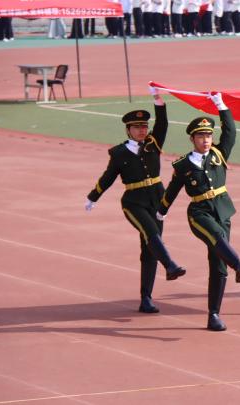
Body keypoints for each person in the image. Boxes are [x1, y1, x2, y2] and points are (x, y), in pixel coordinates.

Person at [157, 92, 240, 331]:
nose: (206, 140)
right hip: (199, 213)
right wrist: (161, 211)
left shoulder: (219, 154)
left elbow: (230, 132)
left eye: (209, 135)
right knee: (217, 236)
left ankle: (213, 315)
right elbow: (173, 189)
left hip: (222, 211)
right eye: (201, 136)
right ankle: (239, 266)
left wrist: (220, 104)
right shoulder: (182, 164)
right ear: (192, 138)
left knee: (218, 264)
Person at [85, 88, 186, 314]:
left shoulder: (153, 144)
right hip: (133, 202)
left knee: (150, 249)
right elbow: (109, 177)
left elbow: (163, 124)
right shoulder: (119, 153)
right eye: (137, 127)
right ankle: (170, 265)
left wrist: (159, 101)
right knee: (152, 233)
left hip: (157, 200)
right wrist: (93, 196)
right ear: (128, 129)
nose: (142, 130)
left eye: (144, 127)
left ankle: (146, 299)